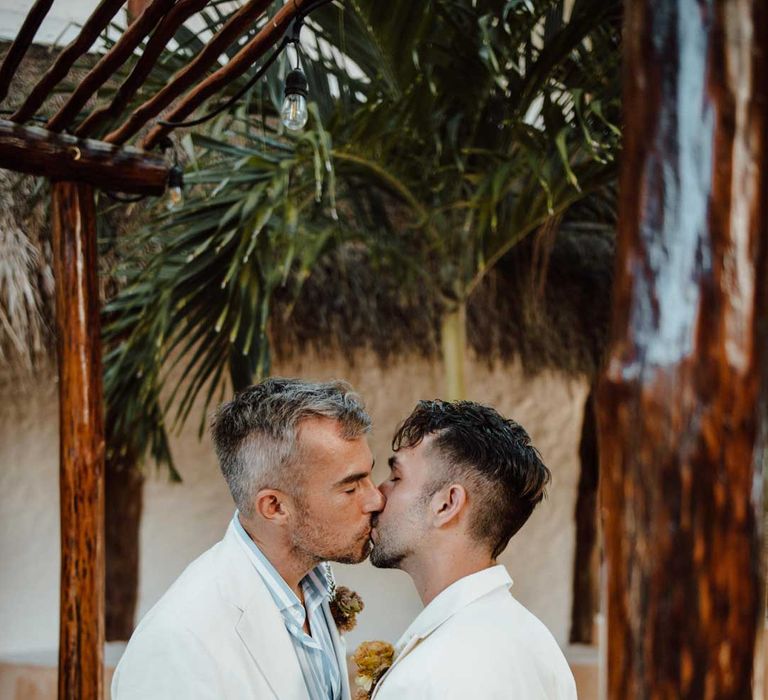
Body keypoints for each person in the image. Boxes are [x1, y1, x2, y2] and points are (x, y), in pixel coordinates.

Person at [112, 377, 384, 700]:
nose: (375, 499)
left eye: (369, 476)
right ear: (274, 506)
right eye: (351, 487)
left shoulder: (312, 583)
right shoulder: (177, 643)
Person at [369, 399, 577, 699]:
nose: (377, 496)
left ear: (446, 504)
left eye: (396, 478)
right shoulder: (541, 648)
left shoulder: (426, 677)